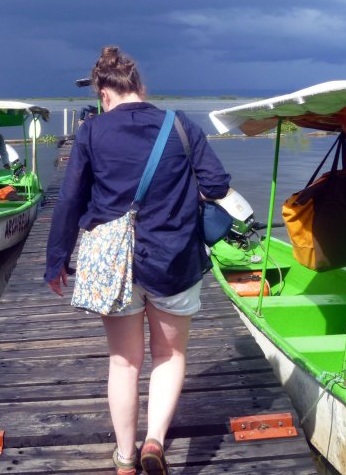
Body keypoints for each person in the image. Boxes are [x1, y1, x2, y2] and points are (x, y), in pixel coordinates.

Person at [44, 46, 231, 475]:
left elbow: (70, 200)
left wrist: (57, 261)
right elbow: (217, 184)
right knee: (169, 356)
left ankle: (126, 457)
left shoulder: (92, 132)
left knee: (123, 361)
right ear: (140, 87)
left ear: (103, 94)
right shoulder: (181, 125)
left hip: (114, 267)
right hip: (174, 261)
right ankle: (154, 442)